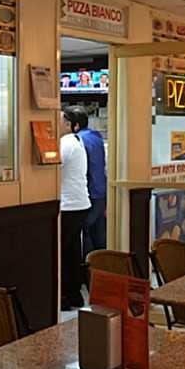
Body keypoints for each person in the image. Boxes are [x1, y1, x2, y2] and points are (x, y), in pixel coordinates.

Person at [65, 105, 107, 258]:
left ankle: (87, 269)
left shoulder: (77, 141)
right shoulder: (96, 137)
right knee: (99, 237)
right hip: (100, 192)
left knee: (85, 235)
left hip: (88, 194)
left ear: (75, 125)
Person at [60, 106, 91, 310]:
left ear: (72, 125)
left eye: (61, 121)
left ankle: (64, 296)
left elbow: (52, 165)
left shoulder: (66, 143)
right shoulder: (77, 142)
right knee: (72, 251)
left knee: (63, 253)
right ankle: (74, 295)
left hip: (69, 205)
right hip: (80, 203)